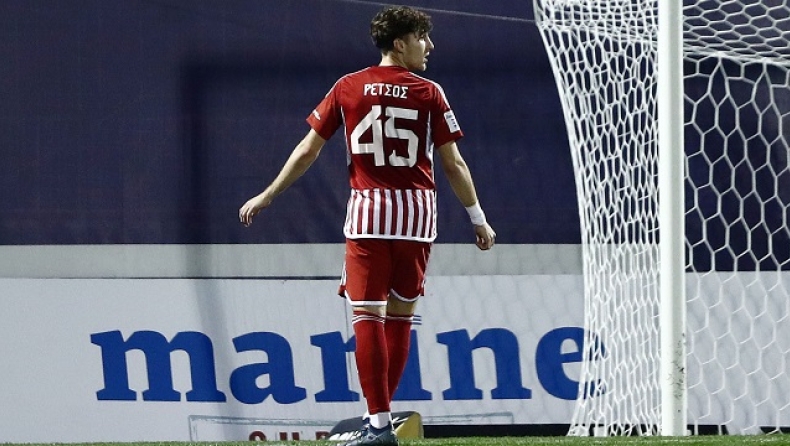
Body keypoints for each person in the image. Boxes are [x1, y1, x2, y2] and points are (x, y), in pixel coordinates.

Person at [239, 5, 495, 446]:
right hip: (417, 220)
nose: (429, 46)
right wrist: (478, 218)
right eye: (422, 38)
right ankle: (379, 418)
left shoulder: (348, 87)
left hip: (369, 218)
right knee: (400, 320)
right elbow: (453, 164)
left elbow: (308, 150)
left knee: (367, 317)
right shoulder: (430, 92)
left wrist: (268, 194)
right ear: (399, 42)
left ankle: (377, 423)